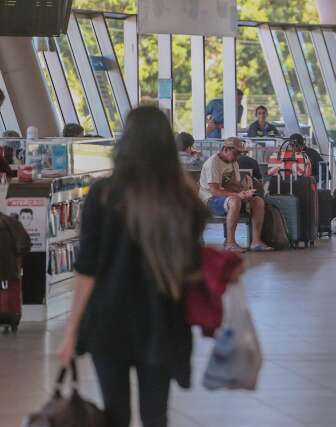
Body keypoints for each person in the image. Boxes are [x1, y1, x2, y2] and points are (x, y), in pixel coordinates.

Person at [57, 106, 211, 427]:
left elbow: (87, 268)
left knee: (115, 414)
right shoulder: (184, 200)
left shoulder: (104, 194)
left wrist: (72, 331)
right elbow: (191, 268)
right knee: (156, 415)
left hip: (108, 320)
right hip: (162, 319)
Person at [199, 137, 273, 253]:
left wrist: (246, 191)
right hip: (210, 200)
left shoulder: (233, 163)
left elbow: (235, 185)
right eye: (236, 153)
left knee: (258, 201)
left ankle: (256, 241)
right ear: (225, 149)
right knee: (235, 201)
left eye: (239, 154)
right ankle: (230, 242)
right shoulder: (213, 163)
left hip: (227, 197)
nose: (237, 157)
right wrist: (238, 195)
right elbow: (215, 191)